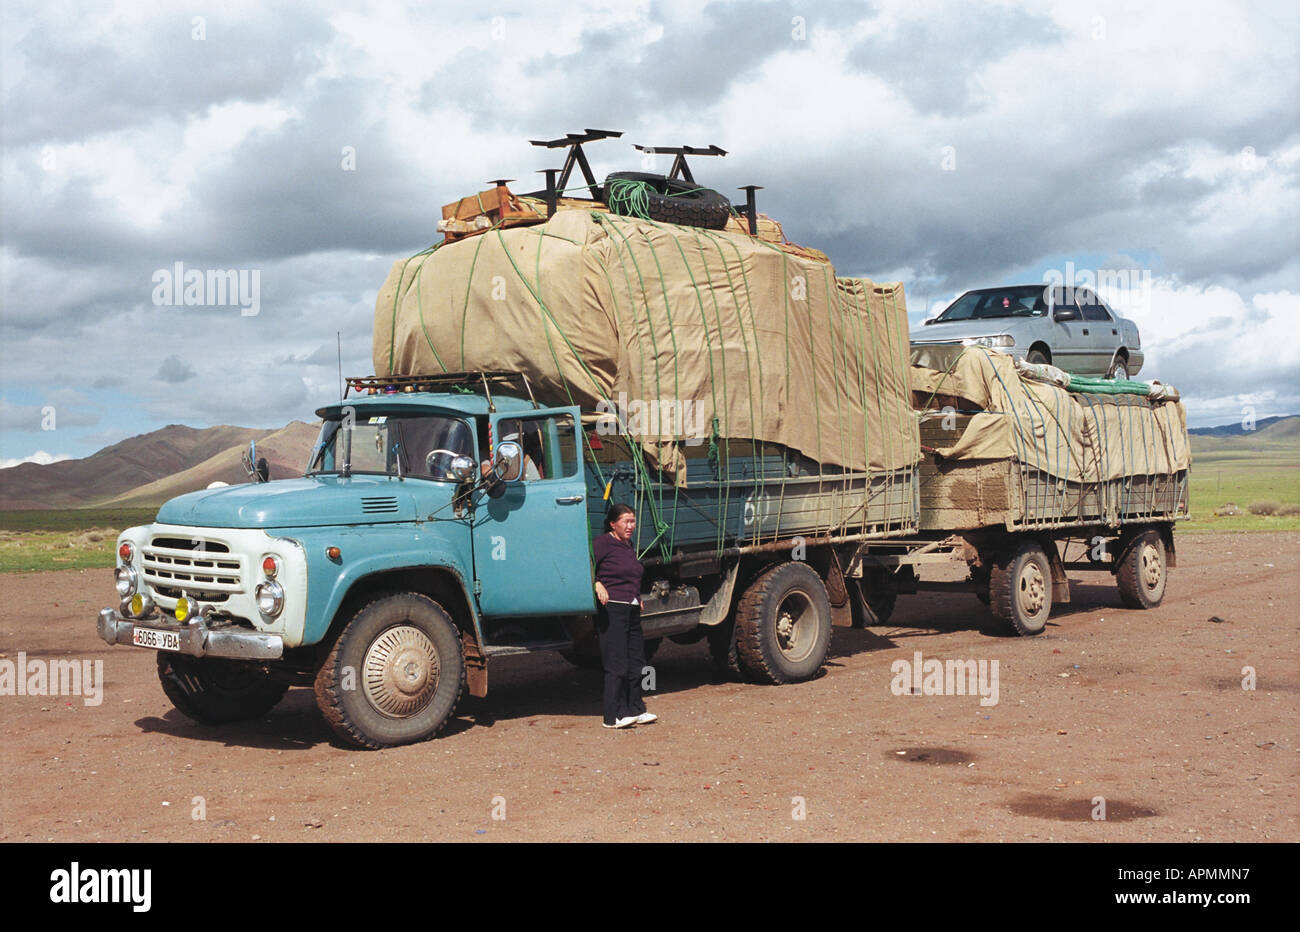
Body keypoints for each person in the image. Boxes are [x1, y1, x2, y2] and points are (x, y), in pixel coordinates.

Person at [591, 503, 656, 729]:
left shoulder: (627, 545)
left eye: (633, 521)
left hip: (631, 607)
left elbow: (632, 573)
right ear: (612, 524)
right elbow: (585, 566)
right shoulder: (601, 544)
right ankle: (613, 716)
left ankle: (636, 709)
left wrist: (637, 597)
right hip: (613, 608)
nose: (631, 526)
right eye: (626, 522)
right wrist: (597, 583)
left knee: (637, 660)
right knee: (616, 663)